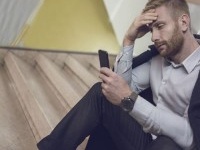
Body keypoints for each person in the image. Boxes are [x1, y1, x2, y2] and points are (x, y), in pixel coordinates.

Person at [37, 0, 200, 149]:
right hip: (145, 137)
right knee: (101, 93)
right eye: (151, 30)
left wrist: (130, 99)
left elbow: (190, 137)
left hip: (174, 145)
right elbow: (121, 89)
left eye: (160, 26)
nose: (154, 37)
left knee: (166, 146)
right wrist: (129, 39)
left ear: (183, 22)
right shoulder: (158, 59)